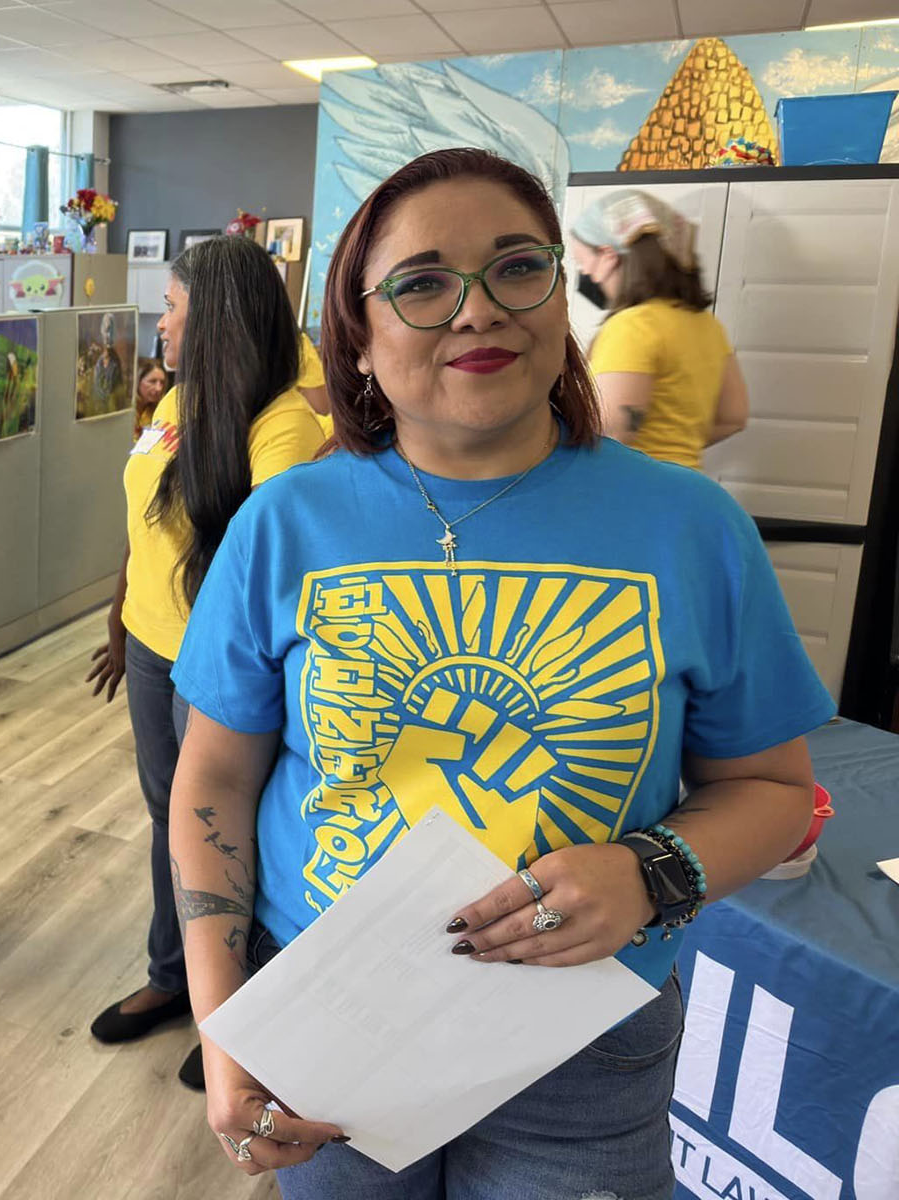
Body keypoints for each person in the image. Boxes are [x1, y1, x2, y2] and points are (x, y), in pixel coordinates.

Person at [169, 148, 832, 1196]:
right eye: (423, 282)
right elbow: (213, 782)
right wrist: (221, 1021)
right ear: (358, 331)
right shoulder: (282, 523)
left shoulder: (689, 527)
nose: (475, 310)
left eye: (516, 268)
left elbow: (775, 791)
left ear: (558, 296)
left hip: (585, 1044)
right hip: (331, 1019)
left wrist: (653, 871)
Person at [85, 236, 328, 1089]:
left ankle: (237, 1013)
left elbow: (269, 563)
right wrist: (119, 615)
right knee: (168, 821)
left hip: (221, 670)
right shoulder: (180, 400)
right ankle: (174, 981)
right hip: (154, 645)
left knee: (228, 835)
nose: (159, 324)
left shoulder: (284, 422)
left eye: (171, 307)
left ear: (214, 317)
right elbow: (145, 514)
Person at [569, 189, 748, 466]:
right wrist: (675, 449)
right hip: (688, 484)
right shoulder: (707, 326)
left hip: (633, 489)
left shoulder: (633, 326)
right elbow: (733, 417)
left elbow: (613, 431)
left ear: (608, 255)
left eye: (583, 263)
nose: (586, 275)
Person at [133, 356, 168, 436]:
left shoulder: (160, 409)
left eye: (162, 382)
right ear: (137, 381)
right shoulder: (124, 409)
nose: (159, 388)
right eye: (152, 381)